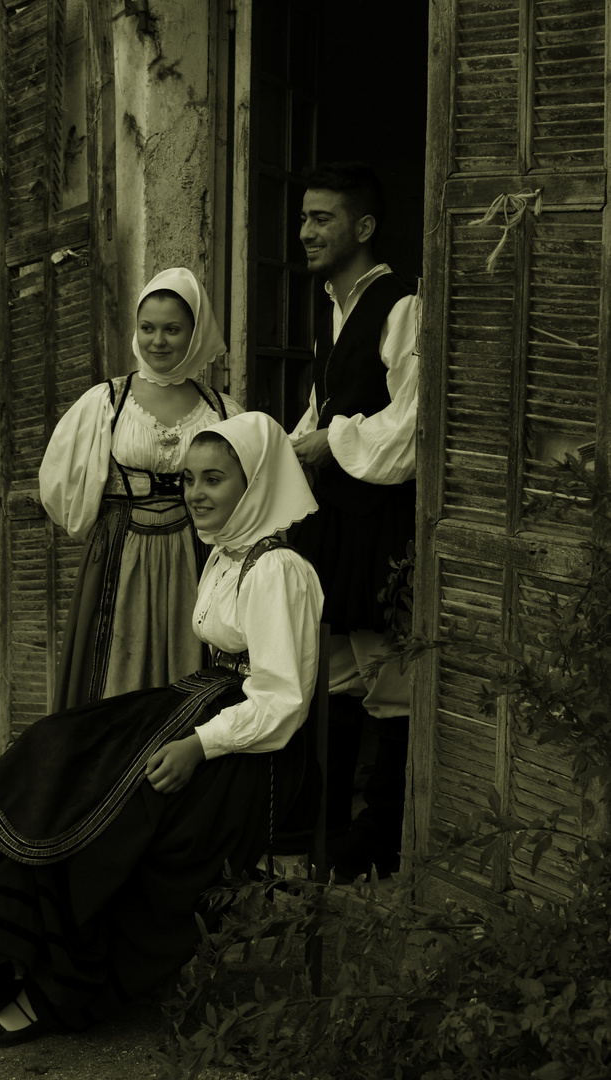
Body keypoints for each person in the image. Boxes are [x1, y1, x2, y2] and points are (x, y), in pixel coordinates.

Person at [0, 411, 323, 1047]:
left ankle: (55, 991)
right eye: (188, 479)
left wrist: (195, 746)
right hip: (202, 710)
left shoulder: (278, 571)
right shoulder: (226, 556)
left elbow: (283, 701)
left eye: (214, 480)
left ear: (256, 484)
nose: (195, 494)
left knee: (115, 818)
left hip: (253, 754)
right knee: (63, 750)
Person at [289, 161, 419, 881]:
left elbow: (409, 426)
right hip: (335, 513)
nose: (305, 232)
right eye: (304, 218)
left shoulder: (401, 304)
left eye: (322, 219)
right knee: (334, 670)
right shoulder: (335, 308)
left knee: (386, 674)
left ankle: (382, 837)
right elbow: (324, 411)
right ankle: (329, 825)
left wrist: (327, 444)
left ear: (363, 227)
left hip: (379, 519)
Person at [39, 266, 244, 709]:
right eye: (147, 328)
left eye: (173, 329)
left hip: (199, 556)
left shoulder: (223, 411)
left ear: (195, 332)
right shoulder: (106, 403)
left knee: (191, 665)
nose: (158, 341)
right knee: (114, 672)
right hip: (119, 556)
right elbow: (59, 487)